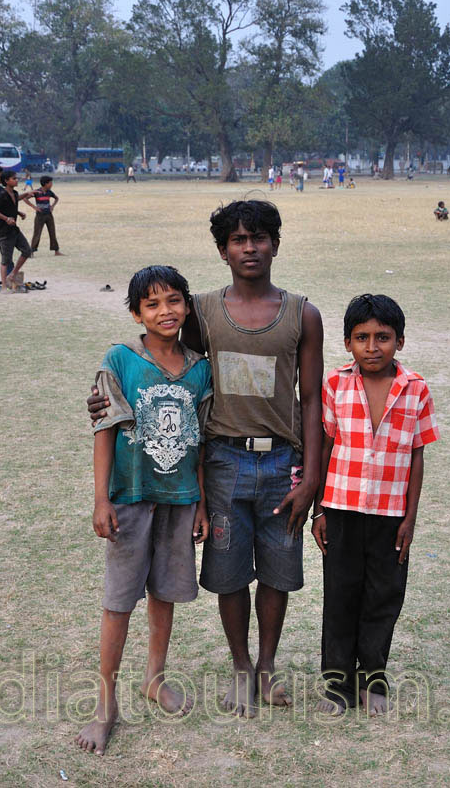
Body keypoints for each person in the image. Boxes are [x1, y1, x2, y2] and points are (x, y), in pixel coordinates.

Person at [89, 199, 323, 717]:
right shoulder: (202, 311)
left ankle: (266, 665)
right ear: (222, 250)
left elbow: (312, 400)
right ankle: (241, 667)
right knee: (229, 569)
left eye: (258, 237)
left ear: (275, 243)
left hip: (282, 461)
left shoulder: (303, 313)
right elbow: (159, 359)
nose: (249, 247)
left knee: (279, 571)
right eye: (238, 240)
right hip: (222, 462)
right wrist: (104, 398)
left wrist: (313, 479)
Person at [76, 265, 213, 754]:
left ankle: (154, 677)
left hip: (178, 500)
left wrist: (198, 501)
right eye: (152, 304)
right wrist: (101, 499)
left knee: (165, 592)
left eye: (173, 300)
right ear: (136, 313)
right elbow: (104, 430)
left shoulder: (201, 368)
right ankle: (105, 703)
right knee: (119, 600)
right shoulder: (119, 360)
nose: (165, 311)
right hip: (130, 499)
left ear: (188, 306)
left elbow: (199, 441)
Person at [312, 294, 440, 715]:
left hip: (390, 516)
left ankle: (373, 680)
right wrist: (320, 510)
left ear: (399, 341)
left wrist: (410, 518)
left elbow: (417, 454)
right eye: (361, 337)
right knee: (341, 595)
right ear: (348, 342)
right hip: (342, 508)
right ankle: (337, 684)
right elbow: (327, 446)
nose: (372, 347)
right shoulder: (335, 384)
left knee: (384, 596)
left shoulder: (415, 388)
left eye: (382, 337)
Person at [0, 169, 36, 292]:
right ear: (6, 181)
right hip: (4, 232)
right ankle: (4, 286)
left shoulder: (14, 193)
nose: (16, 180)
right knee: (6, 260)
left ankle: (12, 274)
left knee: (27, 250)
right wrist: (6, 219)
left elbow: (14, 202)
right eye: (14, 178)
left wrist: (20, 210)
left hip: (14, 230)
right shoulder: (2, 195)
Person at [24, 175, 64, 256]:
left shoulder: (49, 192)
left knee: (52, 232)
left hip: (49, 215)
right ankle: (31, 252)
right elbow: (25, 199)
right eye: (50, 183)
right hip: (40, 215)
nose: (52, 184)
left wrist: (52, 206)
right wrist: (34, 207)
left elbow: (56, 198)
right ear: (45, 184)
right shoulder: (37, 192)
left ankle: (56, 251)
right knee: (37, 233)